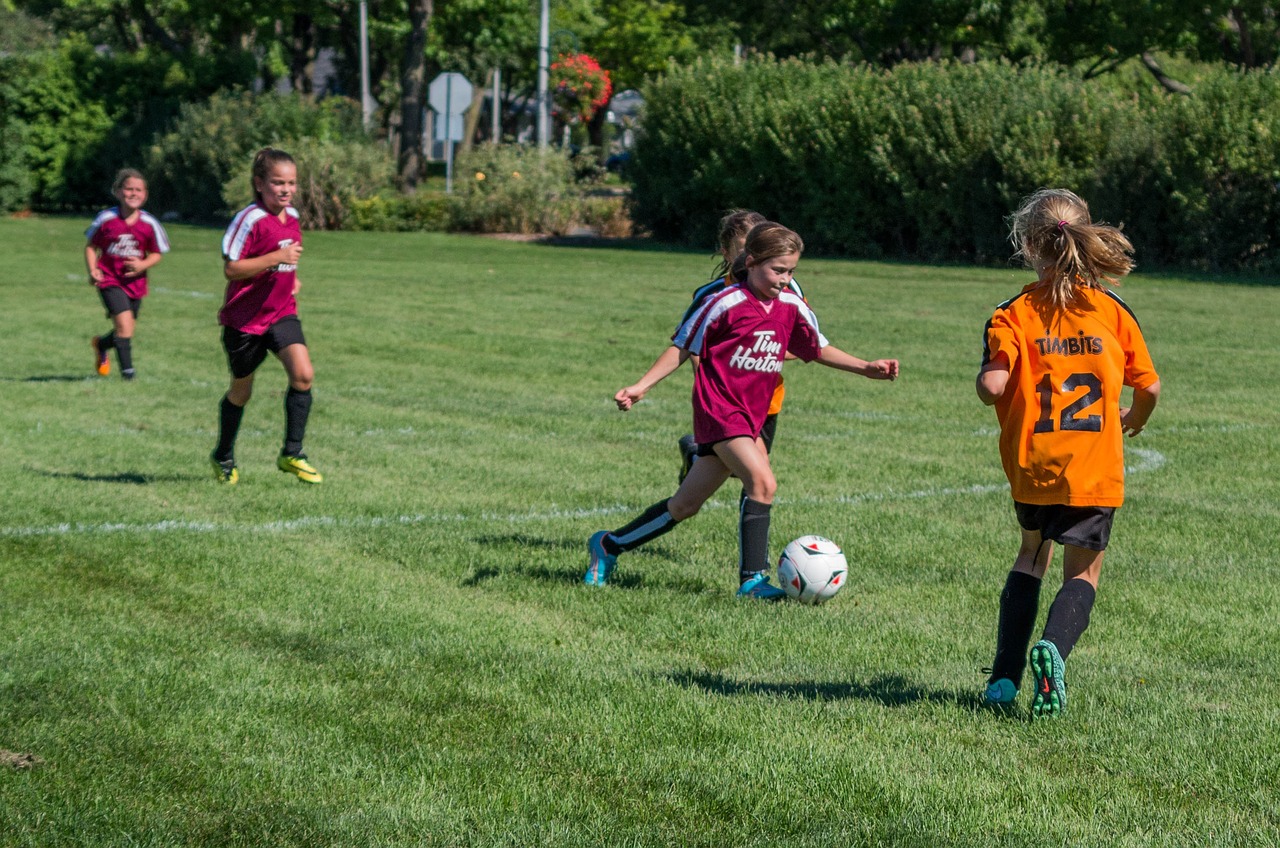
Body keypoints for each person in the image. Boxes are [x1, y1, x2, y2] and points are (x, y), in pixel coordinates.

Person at [588, 222, 900, 598]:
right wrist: (642, 386)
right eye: (778, 270)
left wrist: (866, 367)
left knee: (684, 505)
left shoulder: (790, 306)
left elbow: (814, 348)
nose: (785, 279)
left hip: (752, 414)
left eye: (791, 271)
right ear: (750, 262)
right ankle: (752, 580)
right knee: (762, 482)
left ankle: (608, 545)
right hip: (719, 409)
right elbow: (683, 344)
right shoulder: (724, 303)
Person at [977, 188, 1160, 717]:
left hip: (1033, 467)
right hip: (1094, 470)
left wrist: (988, 379)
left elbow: (993, 385)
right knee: (1082, 575)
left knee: (1031, 556)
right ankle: (1053, 649)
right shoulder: (1112, 310)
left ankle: (1003, 681)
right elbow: (1149, 386)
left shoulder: (1012, 314)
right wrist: (1134, 419)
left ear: (1029, 244)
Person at [616, 210, 807, 484]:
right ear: (726, 253)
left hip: (765, 397)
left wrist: (760, 350)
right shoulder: (712, 295)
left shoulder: (787, 289)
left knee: (743, 473)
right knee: (757, 476)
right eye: (743, 249)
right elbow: (687, 343)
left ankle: (695, 455)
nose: (749, 255)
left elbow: (802, 344)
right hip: (724, 399)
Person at [209, 148, 322, 485]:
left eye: (291, 183)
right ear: (260, 183)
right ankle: (223, 455)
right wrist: (277, 257)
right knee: (241, 392)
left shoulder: (294, 216)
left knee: (303, 375)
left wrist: (291, 274)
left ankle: (292, 453)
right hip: (244, 321)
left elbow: (287, 259)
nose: (285, 189)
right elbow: (232, 269)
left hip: (281, 313)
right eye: (277, 183)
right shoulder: (250, 219)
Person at [84, 169, 170, 380]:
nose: (133, 193)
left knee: (127, 329)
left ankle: (101, 345)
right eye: (128, 189)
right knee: (123, 326)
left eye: (138, 190)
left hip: (135, 283)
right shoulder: (106, 219)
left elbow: (157, 253)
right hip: (110, 280)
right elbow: (90, 247)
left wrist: (142, 264)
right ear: (119, 192)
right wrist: (93, 269)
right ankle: (128, 376)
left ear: (145, 194)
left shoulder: (149, 224)